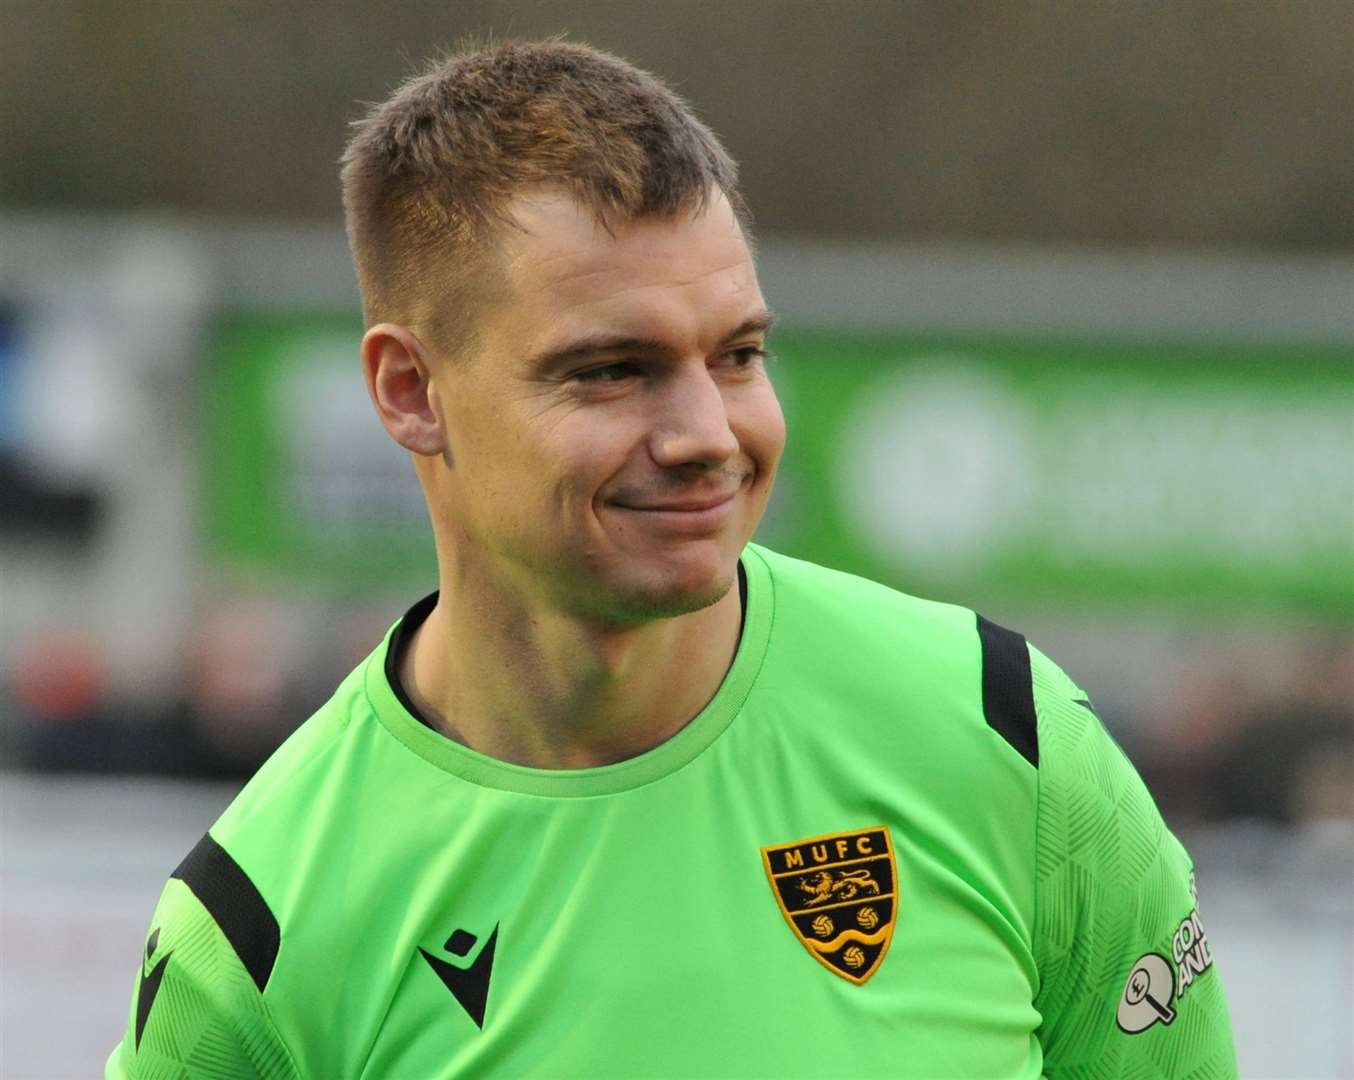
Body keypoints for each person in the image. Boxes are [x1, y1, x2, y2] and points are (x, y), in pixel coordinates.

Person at [108, 40, 1237, 1078]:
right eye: (610, 370)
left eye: (738, 354)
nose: (708, 434)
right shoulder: (258, 925)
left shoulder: (1001, 735)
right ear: (412, 392)